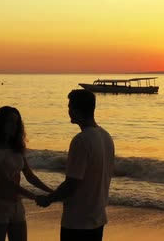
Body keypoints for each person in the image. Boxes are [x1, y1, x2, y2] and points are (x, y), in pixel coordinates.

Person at [36, 90, 115, 241]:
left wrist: (49, 199)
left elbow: (73, 182)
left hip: (78, 220)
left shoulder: (81, 140)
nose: (69, 111)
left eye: (70, 106)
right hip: (98, 216)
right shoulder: (106, 136)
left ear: (76, 110)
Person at [0, 106, 53, 241]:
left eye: (16, 122)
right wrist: (33, 196)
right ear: (1, 123)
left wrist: (52, 192)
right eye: (10, 122)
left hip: (17, 205)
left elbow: (30, 176)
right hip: (0, 205)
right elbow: (5, 182)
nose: (13, 126)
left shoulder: (16, 147)